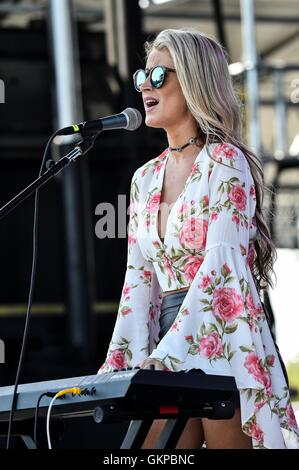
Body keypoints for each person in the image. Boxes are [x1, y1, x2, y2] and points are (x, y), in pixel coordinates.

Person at [98, 28, 299, 449]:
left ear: (193, 81)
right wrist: (121, 363)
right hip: (167, 342)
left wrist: (170, 353)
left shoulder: (226, 163)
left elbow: (221, 266)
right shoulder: (144, 179)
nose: (145, 87)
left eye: (159, 76)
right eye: (142, 76)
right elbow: (138, 281)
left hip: (222, 332)